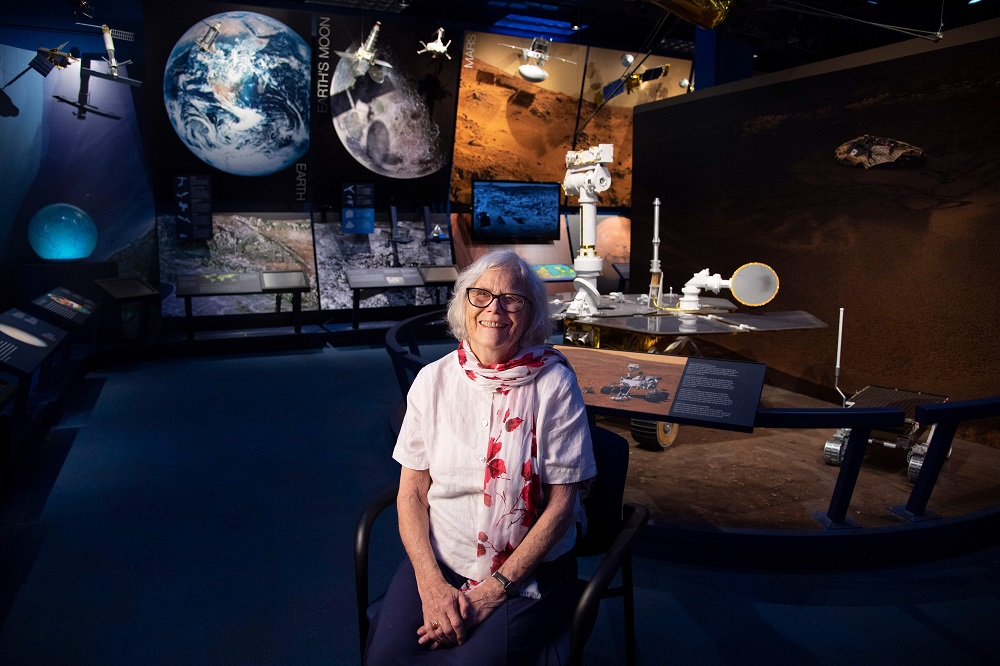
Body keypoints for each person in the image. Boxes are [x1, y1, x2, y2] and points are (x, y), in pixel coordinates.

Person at [366, 250, 596, 665]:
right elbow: (412, 494)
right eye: (482, 295)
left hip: (527, 575)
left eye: (513, 299)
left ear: (530, 315)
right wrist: (431, 584)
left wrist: (489, 594)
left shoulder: (555, 385)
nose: (495, 308)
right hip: (442, 561)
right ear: (463, 303)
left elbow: (563, 506)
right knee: (385, 660)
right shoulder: (432, 380)